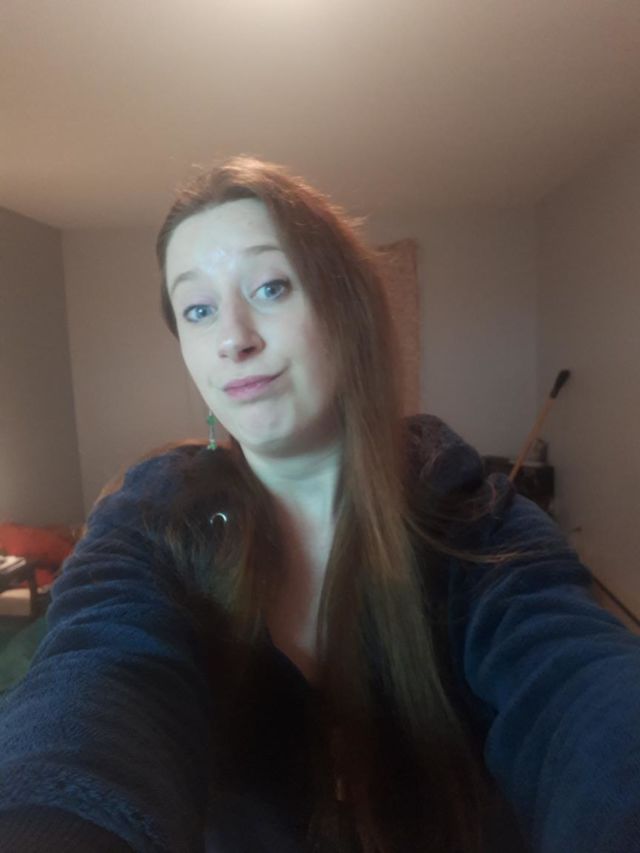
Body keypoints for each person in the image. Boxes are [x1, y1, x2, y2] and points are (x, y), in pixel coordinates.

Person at [0, 156, 639, 853]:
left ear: (346, 307)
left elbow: (577, 686)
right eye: (199, 309)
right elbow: (93, 686)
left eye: (271, 286)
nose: (234, 338)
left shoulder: (473, 516)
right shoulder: (149, 523)